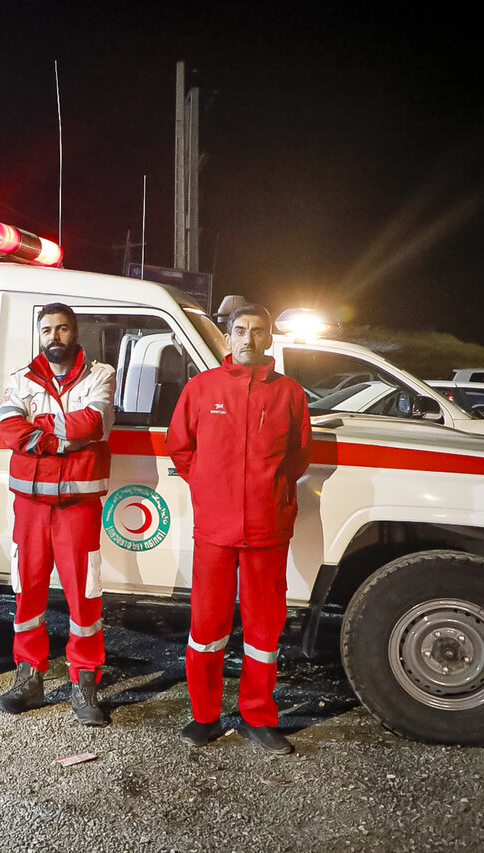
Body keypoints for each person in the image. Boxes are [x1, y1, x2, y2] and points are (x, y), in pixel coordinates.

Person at [165, 303, 312, 754]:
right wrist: (209, 486)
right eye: (241, 330)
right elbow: (180, 447)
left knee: (263, 631)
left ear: (268, 339)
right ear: (228, 338)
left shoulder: (290, 393)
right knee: (206, 627)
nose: (249, 338)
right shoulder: (201, 387)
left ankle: (258, 716)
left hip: (268, 528)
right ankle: (204, 715)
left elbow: (298, 455)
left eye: (258, 331)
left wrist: (271, 492)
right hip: (215, 529)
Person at [0, 303, 115, 726]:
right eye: (47, 330)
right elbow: (8, 427)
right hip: (29, 506)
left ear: (75, 332)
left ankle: (84, 682)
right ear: (39, 334)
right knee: (27, 593)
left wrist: (39, 427)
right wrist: (59, 438)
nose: (54, 337)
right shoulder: (20, 378)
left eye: (62, 328)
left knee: (85, 596)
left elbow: (93, 424)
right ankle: (29, 677)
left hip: (78, 506)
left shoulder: (100, 375)